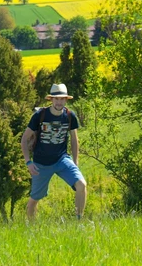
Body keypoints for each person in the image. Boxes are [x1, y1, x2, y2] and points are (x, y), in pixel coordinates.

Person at [21, 83, 87, 220]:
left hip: (61, 159)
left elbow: (75, 140)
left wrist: (75, 162)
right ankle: (30, 228)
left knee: (81, 185)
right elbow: (24, 139)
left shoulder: (69, 116)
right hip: (41, 163)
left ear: (66, 100)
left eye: (62, 99)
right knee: (34, 199)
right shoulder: (40, 115)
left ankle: (79, 220)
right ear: (51, 100)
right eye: (56, 99)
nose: (59, 102)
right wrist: (28, 162)